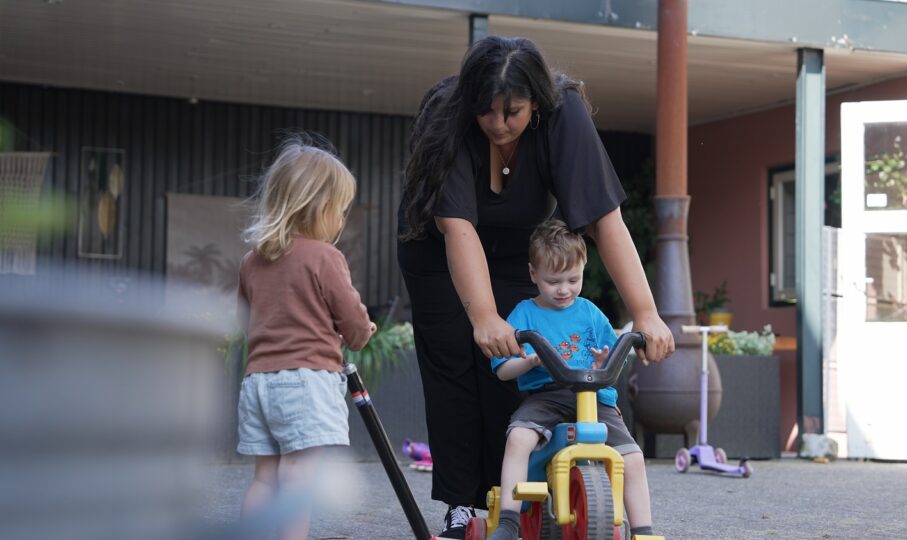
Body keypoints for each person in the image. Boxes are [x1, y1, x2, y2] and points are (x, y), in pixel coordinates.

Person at [397, 35, 675, 538]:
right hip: (440, 252)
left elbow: (604, 218)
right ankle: (462, 507)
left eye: (513, 112)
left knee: (516, 365)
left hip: (518, 252)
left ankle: (520, 498)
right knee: (459, 367)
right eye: (486, 112)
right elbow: (458, 227)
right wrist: (482, 317)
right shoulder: (449, 115)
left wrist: (647, 311)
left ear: (537, 103)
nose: (499, 124)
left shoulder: (563, 114)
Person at [236, 136, 376, 540]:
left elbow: (248, 318)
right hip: (307, 382)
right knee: (298, 480)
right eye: (341, 210)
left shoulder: (251, 261)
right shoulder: (324, 257)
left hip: (258, 382)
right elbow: (351, 323)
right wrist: (364, 330)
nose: (342, 220)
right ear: (319, 207)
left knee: (265, 480)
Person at [488, 220, 656, 539]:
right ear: (533, 274)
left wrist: (605, 360)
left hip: (595, 398)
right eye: (553, 281)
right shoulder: (524, 314)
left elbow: (612, 358)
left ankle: (644, 531)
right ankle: (509, 520)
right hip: (547, 397)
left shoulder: (591, 312)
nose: (564, 289)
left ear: (583, 269)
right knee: (518, 439)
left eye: (573, 279)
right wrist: (528, 361)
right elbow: (502, 369)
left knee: (632, 458)